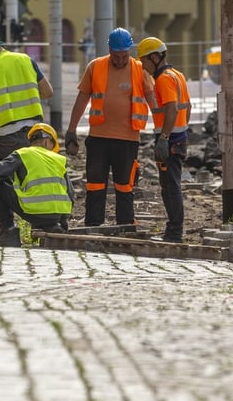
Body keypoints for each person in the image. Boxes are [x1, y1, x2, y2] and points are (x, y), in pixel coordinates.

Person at [64, 27, 156, 227]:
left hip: (128, 139)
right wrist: (71, 129)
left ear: (129, 51)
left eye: (124, 56)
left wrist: (161, 133)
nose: (120, 60)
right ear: (109, 50)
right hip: (99, 137)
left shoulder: (140, 69)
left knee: (125, 185)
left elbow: (152, 100)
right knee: (95, 183)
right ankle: (93, 224)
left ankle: (125, 225)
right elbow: (82, 98)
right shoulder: (95, 67)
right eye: (116, 56)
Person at [0, 27, 53, 165]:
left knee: (5, 181)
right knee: (31, 177)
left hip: (7, 135)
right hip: (35, 132)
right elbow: (47, 91)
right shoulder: (26, 59)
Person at [137, 37, 192, 243]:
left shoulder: (163, 79)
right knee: (171, 185)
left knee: (170, 187)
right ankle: (173, 231)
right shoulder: (178, 75)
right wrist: (182, 132)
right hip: (178, 138)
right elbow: (188, 108)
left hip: (170, 140)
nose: (144, 66)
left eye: (144, 62)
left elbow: (171, 108)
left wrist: (165, 138)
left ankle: (174, 233)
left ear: (154, 57)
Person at [0, 123, 73, 247]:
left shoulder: (22, 154)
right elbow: (70, 194)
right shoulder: (59, 159)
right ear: (47, 141)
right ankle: (52, 227)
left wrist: (12, 176)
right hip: (56, 217)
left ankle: (8, 233)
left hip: (32, 211)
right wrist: (63, 222)